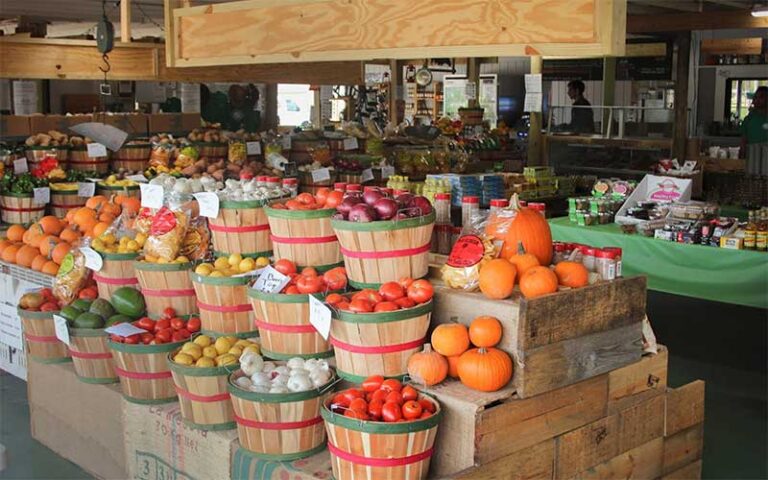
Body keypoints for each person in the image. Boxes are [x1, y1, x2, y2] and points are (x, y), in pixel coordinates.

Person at [739, 86, 768, 176]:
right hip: (752, 157)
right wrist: (742, 154)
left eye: (761, 97)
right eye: (756, 97)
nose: (757, 100)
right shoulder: (749, 119)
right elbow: (744, 139)